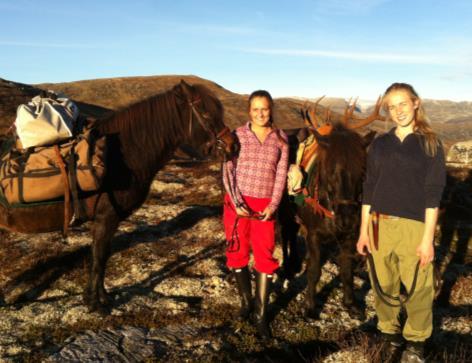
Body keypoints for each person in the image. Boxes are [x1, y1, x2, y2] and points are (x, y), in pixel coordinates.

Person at [356, 83, 446, 362]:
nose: (398, 111)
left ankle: (417, 341)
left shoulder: (430, 143)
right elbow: (369, 188)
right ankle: (389, 334)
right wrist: (363, 232)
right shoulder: (379, 144)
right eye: (391, 107)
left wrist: (427, 238)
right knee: (383, 284)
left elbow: (433, 195)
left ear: (416, 103)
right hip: (378, 224)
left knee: (419, 287)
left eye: (403, 104)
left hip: (414, 226)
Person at [222, 90, 289, 339]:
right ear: (248, 111)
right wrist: (236, 201)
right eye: (256, 109)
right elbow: (227, 168)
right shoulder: (237, 135)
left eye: (265, 109)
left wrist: (273, 205)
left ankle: (261, 316)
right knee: (237, 251)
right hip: (237, 204)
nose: (261, 113)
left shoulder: (281, 139)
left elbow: (281, 175)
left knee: (265, 253)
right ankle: (246, 303)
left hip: (264, 207)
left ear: (271, 110)